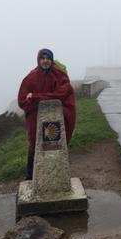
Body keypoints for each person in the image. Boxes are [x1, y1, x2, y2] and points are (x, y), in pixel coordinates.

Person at [17, 48, 76, 180]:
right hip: (36, 117)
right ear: (39, 60)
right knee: (34, 142)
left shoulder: (59, 75)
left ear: (51, 60)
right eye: (43, 58)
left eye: (48, 58)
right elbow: (22, 99)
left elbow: (64, 92)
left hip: (55, 115)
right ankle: (30, 176)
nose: (45, 61)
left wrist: (37, 97)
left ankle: (56, 174)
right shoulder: (31, 77)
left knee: (56, 143)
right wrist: (32, 102)